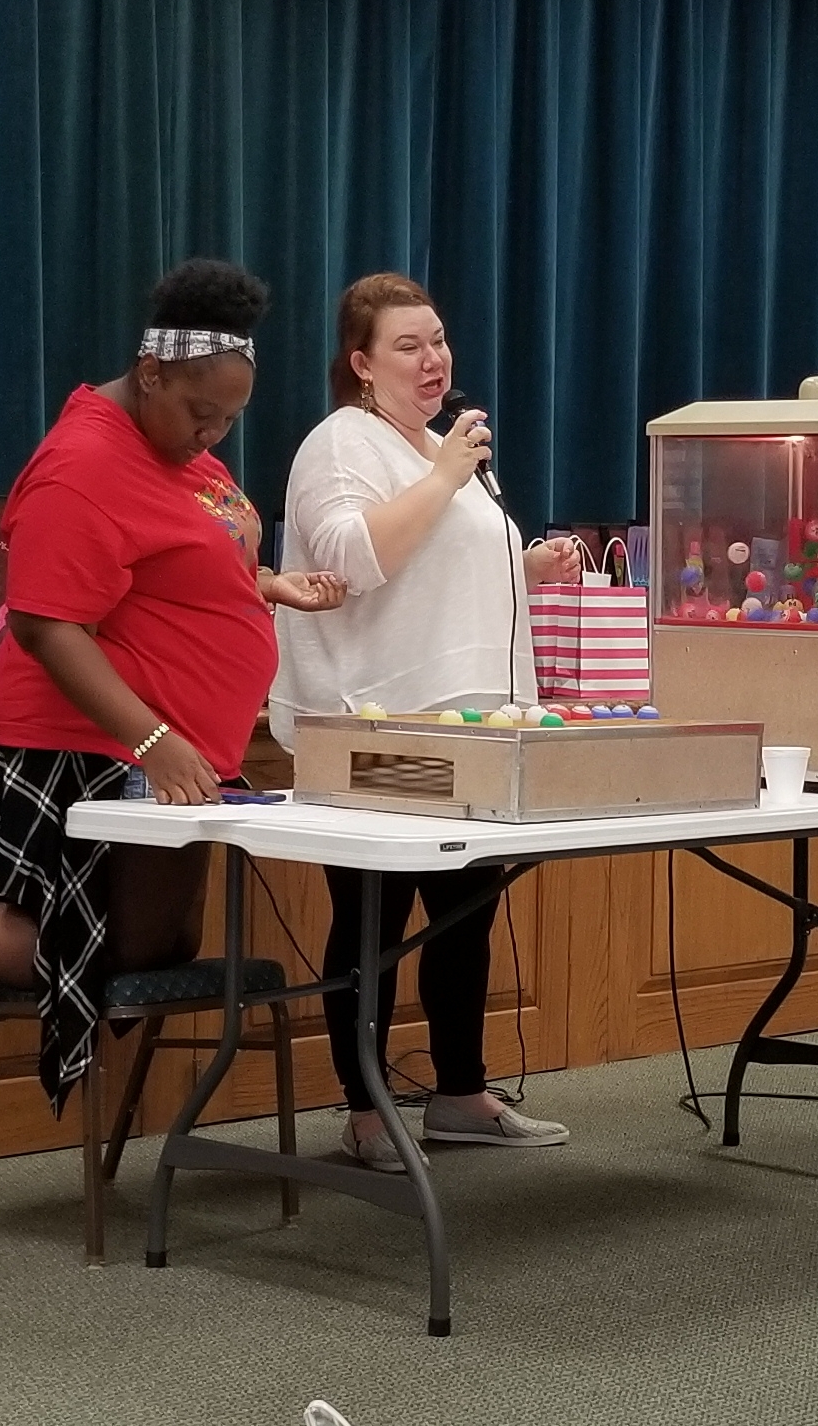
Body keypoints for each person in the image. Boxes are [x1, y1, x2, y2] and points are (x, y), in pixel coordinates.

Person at [0, 258, 346, 1110]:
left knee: (157, 936)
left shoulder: (178, 450)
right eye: (203, 412)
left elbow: (186, 558)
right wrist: (153, 741)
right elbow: (48, 624)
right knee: (118, 939)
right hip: (95, 748)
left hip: (167, 748)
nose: (214, 435)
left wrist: (265, 585)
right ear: (151, 373)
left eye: (232, 418)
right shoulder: (81, 465)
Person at [269, 272, 582, 1170]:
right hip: (372, 732)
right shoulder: (341, 444)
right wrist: (448, 473)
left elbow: (436, 581)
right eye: (408, 345)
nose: (432, 358)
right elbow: (352, 561)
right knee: (371, 919)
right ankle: (366, 1111)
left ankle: (459, 1094)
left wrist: (526, 567)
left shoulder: (440, 453)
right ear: (362, 364)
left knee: (463, 916)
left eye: (438, 339)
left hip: (471, 730)